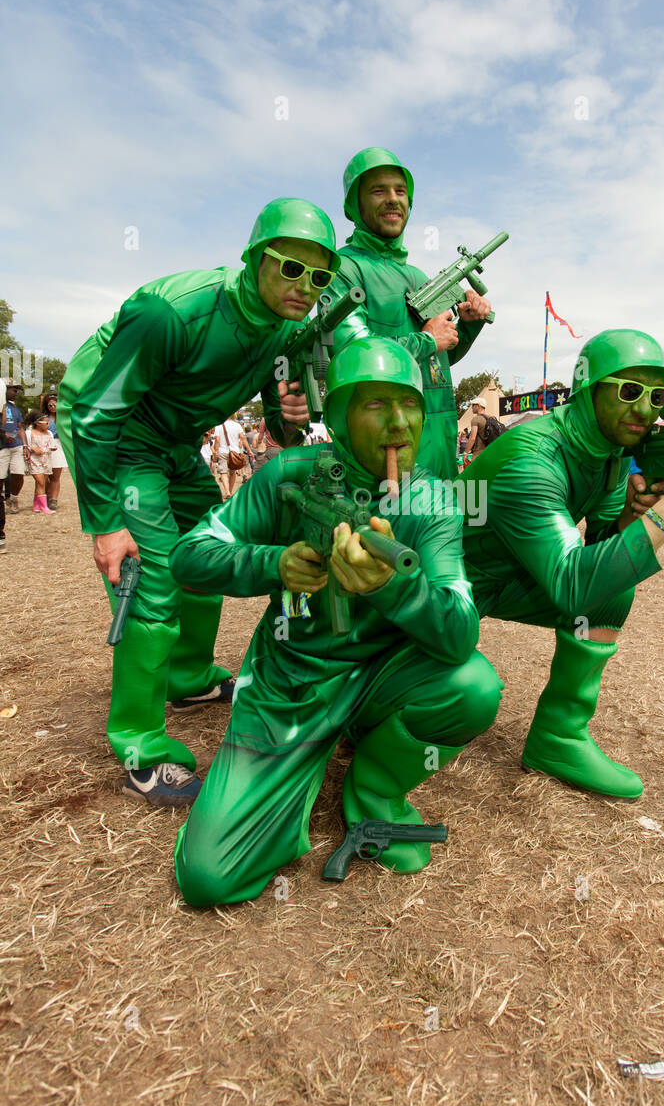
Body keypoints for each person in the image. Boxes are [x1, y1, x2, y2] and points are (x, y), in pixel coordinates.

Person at [170, 336, 502, 904]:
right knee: (209, 876)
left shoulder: (433, 500)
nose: (399, 423)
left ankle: (375, 791)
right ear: (342, 417)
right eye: (375, 404)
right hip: (289, 686)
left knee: (473, 686)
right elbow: (189, 557)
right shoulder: (288, 475)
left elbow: (459, 631)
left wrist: (398, 588)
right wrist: (271, 563)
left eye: (410, 404)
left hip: (378, 675)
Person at [56, 198, 335, 806]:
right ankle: (139, 745)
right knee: (151, 580)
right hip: (117, 430)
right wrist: (105, 524)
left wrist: (290, 416)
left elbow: (278, 425)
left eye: (320, 276)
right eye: (292, 268)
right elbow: (97, 413)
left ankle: (186, 678)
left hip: (175, 441)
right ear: (257, 258)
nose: (306, 286)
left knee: (207, 549)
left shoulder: (286, 332)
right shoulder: (170, 312)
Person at [460, 329, 664, 800]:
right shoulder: (533, 456)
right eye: (629, 390)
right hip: (440, 592)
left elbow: (603, 550)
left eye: (658, 395)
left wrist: (631, 516)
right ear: (588, 389)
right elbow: (571, 586)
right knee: (434, 697)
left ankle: (558, 738)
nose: (645, 408)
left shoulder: (609, 454)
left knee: (612, 588)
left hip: (504, 580)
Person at [328, 147, 492, 481]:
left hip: (442, 442)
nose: (392, 199)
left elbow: (439, 363)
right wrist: (427, 340)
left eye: (400, 191)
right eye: (378, 191)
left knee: (444, 531)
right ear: (353, 205)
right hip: (385, 450)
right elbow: (354, 356)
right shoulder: (342, 269)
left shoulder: (418, 276)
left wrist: (468, 326)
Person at [211, 415, 252, 499]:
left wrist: (215, 451)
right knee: (232, 472)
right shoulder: (237, 425)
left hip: (223, 451)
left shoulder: (219, 426)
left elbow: (217, 440)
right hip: (235, 452)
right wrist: (249, 450)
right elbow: (243, 438)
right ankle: (230, 490)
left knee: (223, 472)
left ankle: (227, 492)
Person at [24, 409, 57, 513]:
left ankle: (37, 505)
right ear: (38, 423)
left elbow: (51, 444)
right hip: (35, 460)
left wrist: (52, 448)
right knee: (40, 482)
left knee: (42, 482)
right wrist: (32, 448)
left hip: (46, 459)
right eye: (46, 423)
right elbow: (26, 445)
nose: (48, 425)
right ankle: (44, 506)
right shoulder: (29, 433)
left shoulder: (49, 433)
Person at [1, 381, 26, 514]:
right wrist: (3, 433)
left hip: (16, 446)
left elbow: (20, 428)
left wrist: (25, 445)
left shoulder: (15, 409)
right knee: (1, 476)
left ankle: (13, 499)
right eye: (14, 390)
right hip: (2, 447)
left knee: (19, 474)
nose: (16, 393)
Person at [40, 392, 67, 511]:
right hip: (45, 445)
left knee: (56, 476)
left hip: (58, 445)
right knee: (45, 475)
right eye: (50, 405)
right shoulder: (42, 417)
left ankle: (54, 499)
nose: (53, 407)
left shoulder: (63, 417)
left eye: (55, 405)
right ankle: (45, 496)